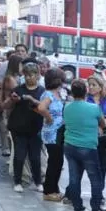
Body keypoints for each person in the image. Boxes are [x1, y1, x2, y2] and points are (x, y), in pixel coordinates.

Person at [62, 79, 106, 211]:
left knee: (74, 177)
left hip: (70, 145)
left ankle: (77, 204)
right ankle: (96, 206)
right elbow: (103, 124)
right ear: (86, 91)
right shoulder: (93, 108)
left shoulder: (67, 107)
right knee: (95, 178)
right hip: (88, 146)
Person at [5, 62, 45, 192]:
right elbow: (7, 104)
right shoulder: (18, 89)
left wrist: (32, 100)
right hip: (18, 128)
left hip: (36, 129)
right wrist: (12, 99)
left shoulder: (42, 91)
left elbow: (45, 107)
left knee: (35, 157)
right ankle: (18, 181)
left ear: (38, 76)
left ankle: (38, 181)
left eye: (32, 75)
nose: (29, 78)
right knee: (20, 155)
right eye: (26, 75)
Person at [38, 68, 67, 201]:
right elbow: (41, 108)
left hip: (59, 131)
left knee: (58, 161)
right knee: (54, 161)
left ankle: (54, 188)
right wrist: (49, 117)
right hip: (52, 133)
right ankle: (48, 191)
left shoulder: (57, 94)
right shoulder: (48, 95)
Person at [86, 74, 106, 184]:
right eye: (89, 85)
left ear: (100, 87)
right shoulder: (86, 99)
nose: (91, 87)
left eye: (94, 85)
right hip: (91, 136)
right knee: (91, 166)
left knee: (103, 165)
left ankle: (99, 191)